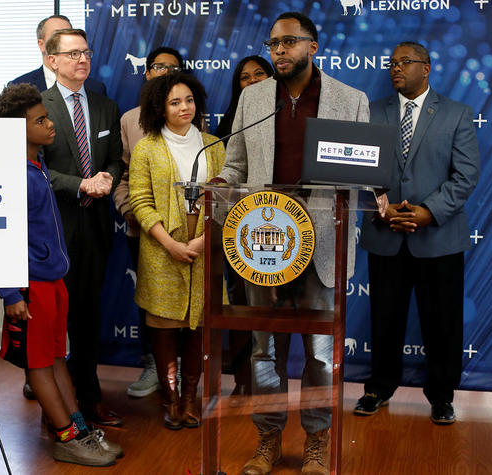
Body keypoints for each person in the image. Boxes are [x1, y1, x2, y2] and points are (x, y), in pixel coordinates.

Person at [214, 12, 369, 475]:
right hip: (263, 241)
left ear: (313, 47)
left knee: (320, 353)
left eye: (288, 43)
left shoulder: (350, 99)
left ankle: (317, 444)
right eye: (273, 44)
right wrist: (221, 183)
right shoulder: (254, 97)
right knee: (263, 350)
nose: (279, 51)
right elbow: (237, 165)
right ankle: (267, 441)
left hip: (321, 244)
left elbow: (360, 177)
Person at [0, 83, 122, 466]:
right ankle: (67, 438)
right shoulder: (12, 174)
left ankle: (80, 431)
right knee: (39, 364)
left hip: (52, 280)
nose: (50, 125)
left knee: (56, 358)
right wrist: (10, 294)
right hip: (30, 286)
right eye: (41, 120)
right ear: (19, 129)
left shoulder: (37, 165)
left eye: (46, 117)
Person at [354, 42, 480, 425]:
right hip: (385, 234)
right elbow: (359, 170)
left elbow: (466, 174)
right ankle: (378, 387)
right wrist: (383, 206)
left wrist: (429, 212)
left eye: (404, 63)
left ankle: (442, 396)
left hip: (438, 239)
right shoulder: (372, 112)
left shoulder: (457, 114)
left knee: (442, 323)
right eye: (391, 64)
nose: (395, 69)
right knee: (385, 319)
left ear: (426, 69)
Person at [129, 72, 225, 430]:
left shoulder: (216, 145)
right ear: (160, 108)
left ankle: (190, 400)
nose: (184, 108)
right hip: (161, 249)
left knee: (197, 328)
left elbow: (228, 200)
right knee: (165, 327)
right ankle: (170, 401)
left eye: (189, 100)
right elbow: (139, 200)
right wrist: (169, 243)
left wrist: (203, 241)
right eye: (174, 102)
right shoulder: (147, 147)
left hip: (205, 246)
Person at [40, 28, 124, 427]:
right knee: (54, 325)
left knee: (89, 319)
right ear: (51, 60)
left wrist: (107, 177)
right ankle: (57, 407)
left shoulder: (106, 106)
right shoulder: (38, 108)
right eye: (72, 54)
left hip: (96, 229)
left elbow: (116, 159)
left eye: (86, 52)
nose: (82, 60)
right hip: (55, 232)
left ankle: (89, 399)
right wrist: (80, 185)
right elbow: (36, 170)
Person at [113, 46, 184, 399]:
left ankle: (182, 368)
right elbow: (123, 175)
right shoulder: (129, 120)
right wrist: (129, 210)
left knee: (185, 301)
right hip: (142, 228)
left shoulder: (192, 116)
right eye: (158, 66)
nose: (165, 72)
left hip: (186, 231)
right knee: (150, 301)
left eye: (173, 68)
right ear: (146, 72)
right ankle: (154, 365)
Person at [213, 55, 274, 407]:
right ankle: (243, 378)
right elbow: (229, 173)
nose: (252, 82)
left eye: (259, 75)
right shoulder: (228, 127)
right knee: (240, 306)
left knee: (275, 314)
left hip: (282, 229)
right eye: (244, 78)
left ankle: (271, 378)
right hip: (242, 234)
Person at [9, 14, 106, 95]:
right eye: (57, 35)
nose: (64, 39)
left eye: (69, 34)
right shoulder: (18, 88)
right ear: (41, 45)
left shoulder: (96, 88)